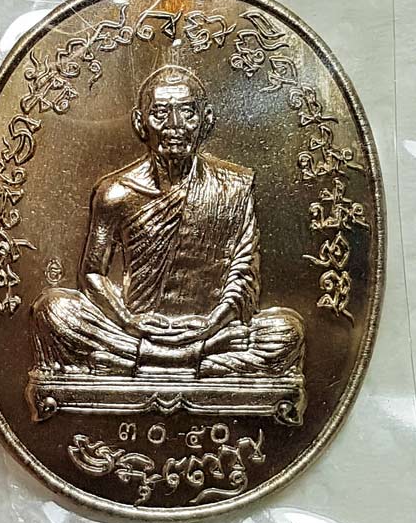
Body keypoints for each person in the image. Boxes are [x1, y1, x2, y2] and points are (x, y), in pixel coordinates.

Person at [31, 65, 304, 379]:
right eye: (160, 113)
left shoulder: (233, 187)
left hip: (211, 329)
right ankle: (192, 361)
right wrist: (128, 321)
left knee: (286, 331)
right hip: (135, 329)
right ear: (140, 123)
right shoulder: (116, 192)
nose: (175, 125)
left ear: (206, 120)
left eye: (187, 112)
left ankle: (135, 363)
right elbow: (92, 273)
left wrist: (213, 323)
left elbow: (244, 276)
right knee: (53, 310)